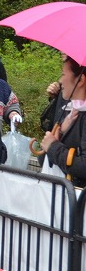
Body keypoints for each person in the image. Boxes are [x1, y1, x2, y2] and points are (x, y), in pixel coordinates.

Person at [36, 56, 86, 187]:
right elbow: (44, 160)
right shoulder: (71, 111)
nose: (60, 81)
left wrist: (53, 147)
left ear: (80, 80)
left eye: (63, 75)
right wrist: (58, 137)